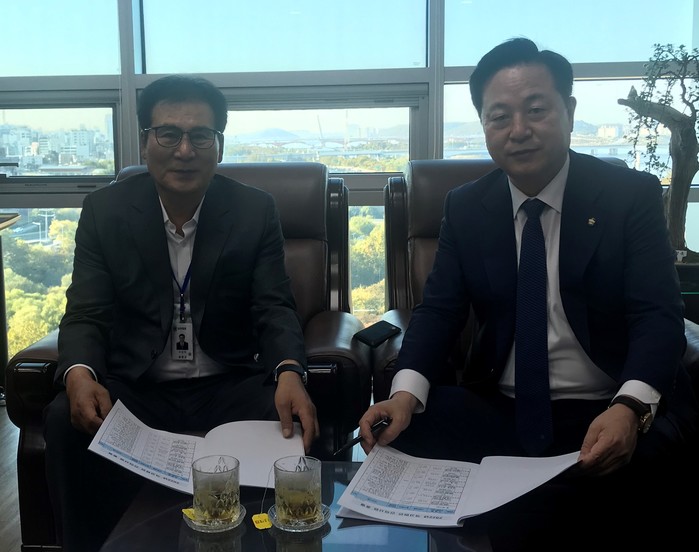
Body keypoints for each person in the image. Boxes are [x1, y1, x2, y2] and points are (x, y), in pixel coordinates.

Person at [358, 38, 698, 548]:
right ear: (484, 125)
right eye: (499, 116)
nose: (518, 130)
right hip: (503, 405)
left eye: (536, 110)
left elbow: (658, 315)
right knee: (404, 432)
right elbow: (439, 311)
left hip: (607, 403)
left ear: (569, 111)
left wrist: (631, 407)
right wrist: (404, 394)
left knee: (643, 471)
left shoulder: (630, 195)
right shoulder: (467, 207)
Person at [43, 74, 319, 551]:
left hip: (228, 382)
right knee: (64, 418)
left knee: (288, 417)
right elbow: (87, 310)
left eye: (201, 136)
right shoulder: (105, 211)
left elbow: (273, 305)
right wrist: (79, 373)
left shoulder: (253, 211)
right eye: (169, 134)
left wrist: (291, 371)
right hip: (138, 385)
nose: (185, 150)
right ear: (145, 141)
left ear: (219, 145)